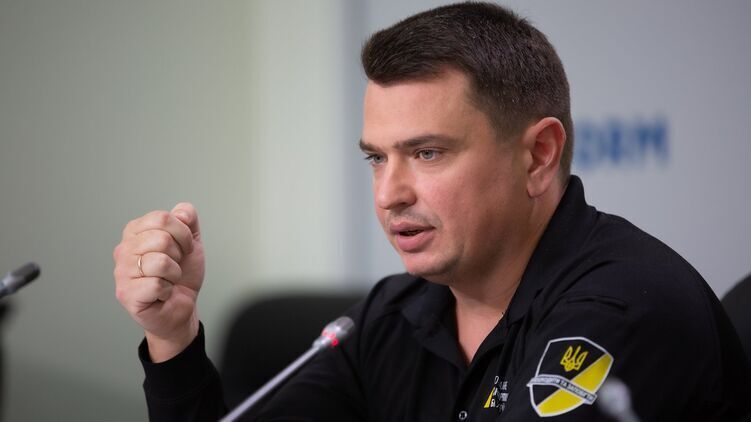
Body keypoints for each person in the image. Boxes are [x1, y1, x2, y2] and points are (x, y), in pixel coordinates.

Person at [112, 2, 751, 420]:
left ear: (538, 156)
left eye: (426, 153)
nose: (389, 193)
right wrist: (172, 335)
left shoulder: (624, 307)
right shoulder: (393, 316)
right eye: (376, 158)